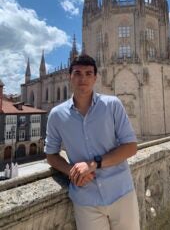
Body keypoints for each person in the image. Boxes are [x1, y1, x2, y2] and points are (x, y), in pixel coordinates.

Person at [45, 54, 140, 230]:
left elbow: (131, 147)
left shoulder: (112, 105)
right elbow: (51, 155)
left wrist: (93, 164)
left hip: (121, 193)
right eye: (78, 73)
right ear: (70, 76)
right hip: (86, 199)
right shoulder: (57, 115)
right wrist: (72, 172)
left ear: (96, 78)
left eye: (89, 74)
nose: (83, 79)